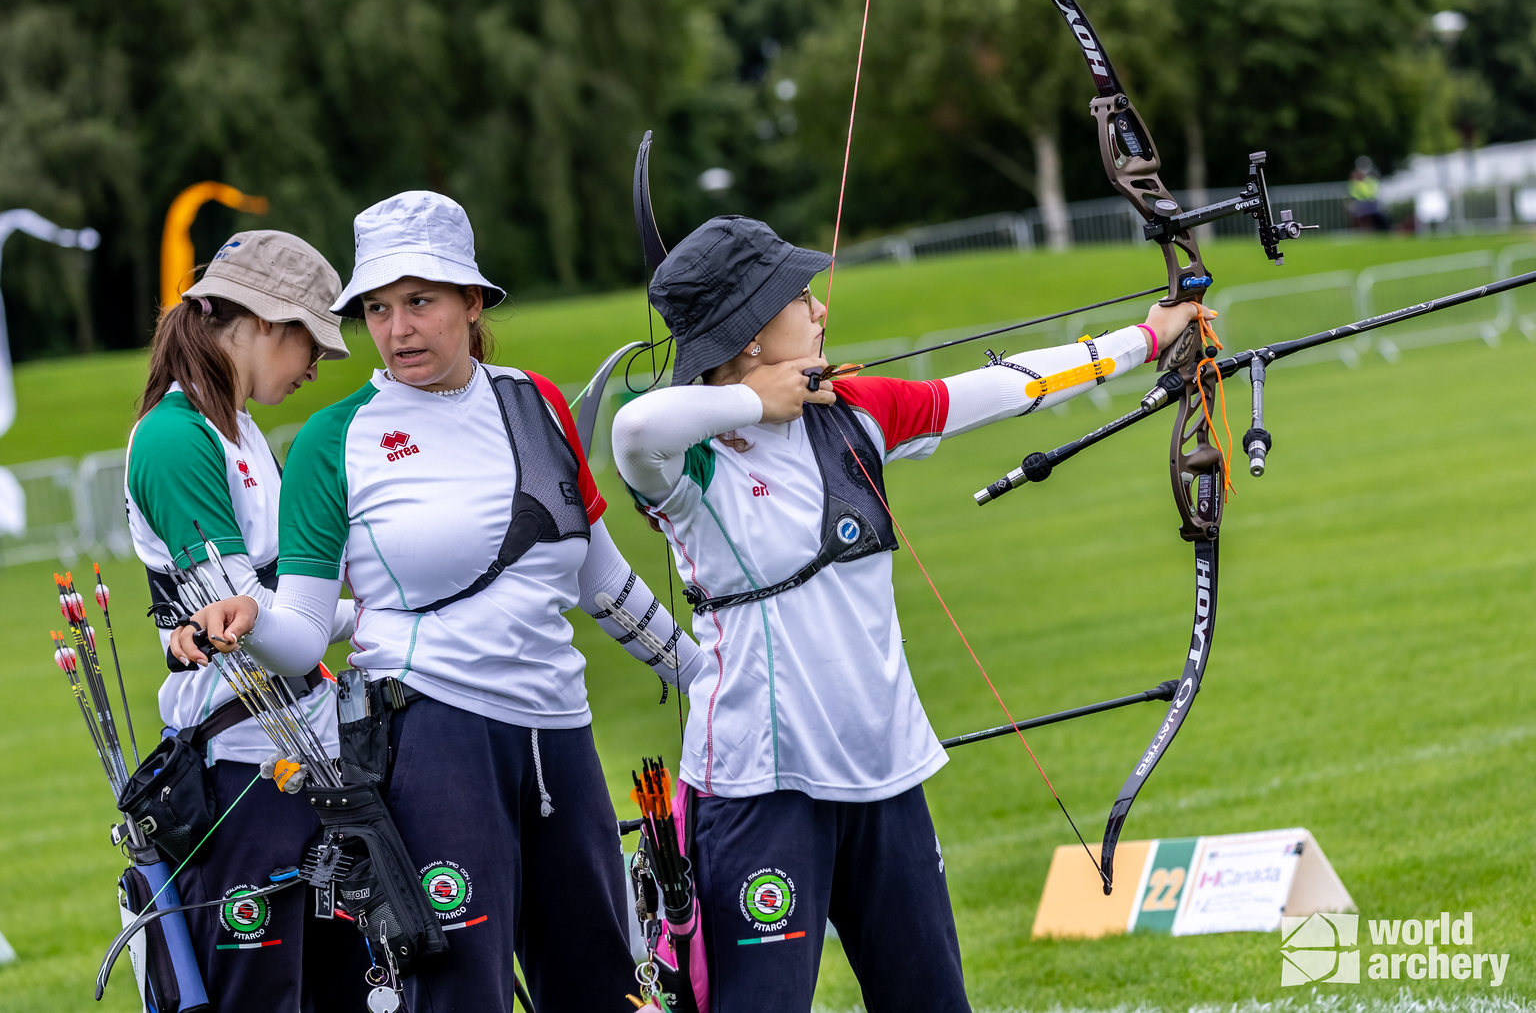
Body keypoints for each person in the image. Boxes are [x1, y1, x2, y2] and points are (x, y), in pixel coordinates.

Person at [608, 215, 1209, 1012]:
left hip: (885, 769)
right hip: (758, 783)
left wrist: (1142, 337)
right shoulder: (693, 462)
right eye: (797, 297)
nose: (820, 309)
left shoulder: (855, 410)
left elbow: (999, 387)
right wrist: (753, 402)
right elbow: (632, 426)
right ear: (751, 337)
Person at [172, 191, 707, 1013]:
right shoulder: (332, 439)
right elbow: (307, 628)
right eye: (377, 309)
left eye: (419, 301)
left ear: (472, 300)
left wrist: (704, 671)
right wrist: (252, 624)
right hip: (432, 739)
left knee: (602, 983)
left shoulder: (536, 401)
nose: (397, 329)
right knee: (460, 992)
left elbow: (597, 579)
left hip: (559, 733)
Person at [124, 229, 365, 1011]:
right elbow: (243, 624)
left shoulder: (238, 426)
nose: (315, 368)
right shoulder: (174, 436)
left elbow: (286, 601)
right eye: (310, 345)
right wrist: (386, 610)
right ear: (264, 322)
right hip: (242, 769)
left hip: (301, 748)